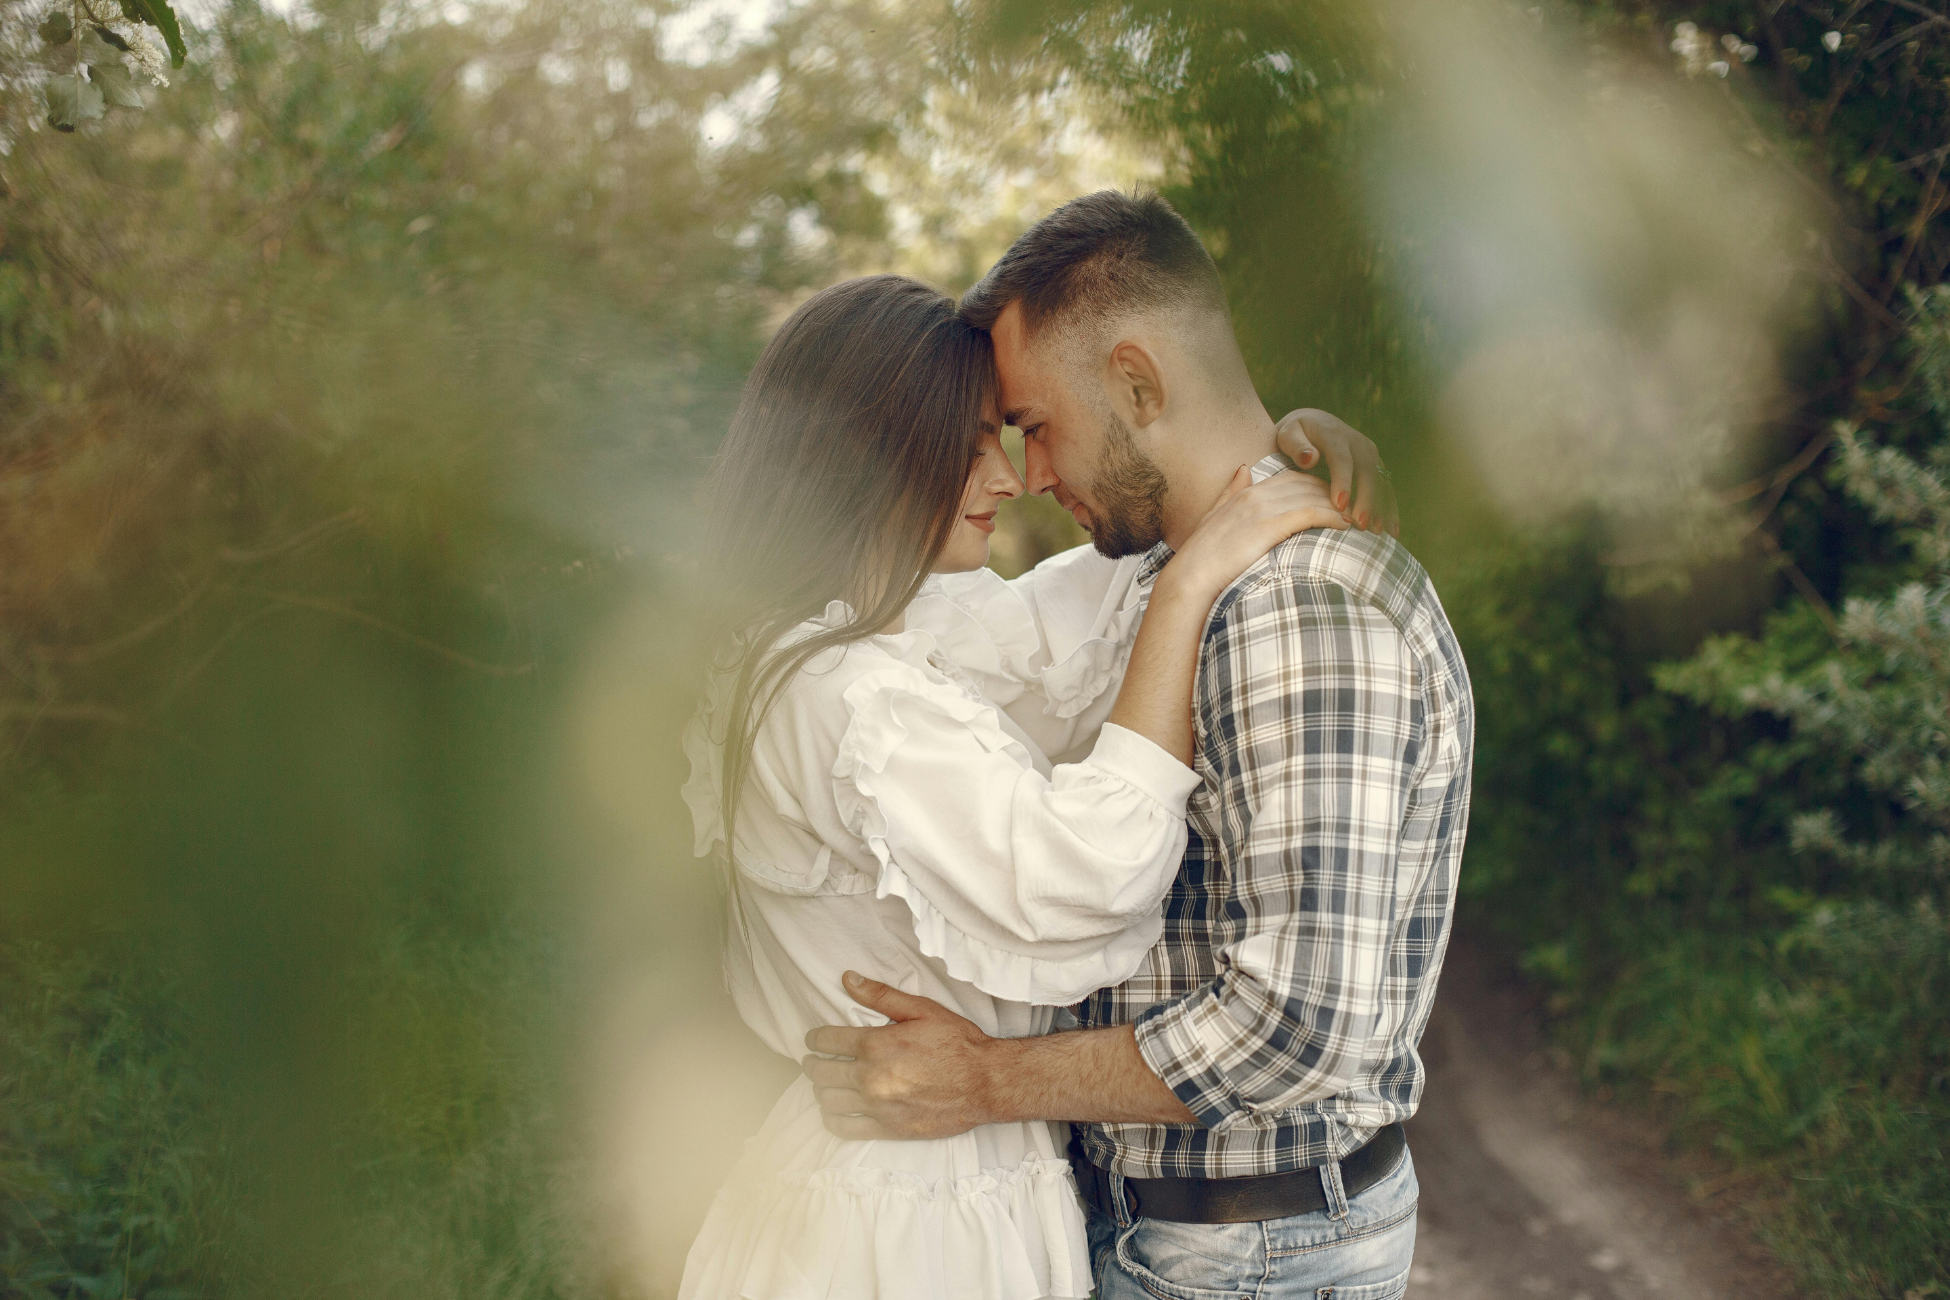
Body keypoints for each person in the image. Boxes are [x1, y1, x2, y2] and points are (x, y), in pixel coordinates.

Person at [801, 191, 1475, 1300]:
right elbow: (948, 637)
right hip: (1183, 1239)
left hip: (1248, 1258)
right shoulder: (1173, 576)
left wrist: (985, 1082)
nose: (1029, 472)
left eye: (1034, 424)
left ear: (1138, 384)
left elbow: (1299, 1026)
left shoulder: (1300, 609)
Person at [676, 272, 1376, 1300]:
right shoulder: (849, 695)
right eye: (972, 446)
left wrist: (1260, 461)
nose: (1007, 479)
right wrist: (1190, 584)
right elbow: (1082, 875)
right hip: (910, 1212)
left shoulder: (849, 641)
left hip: (905, 1173)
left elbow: (1058, 626)